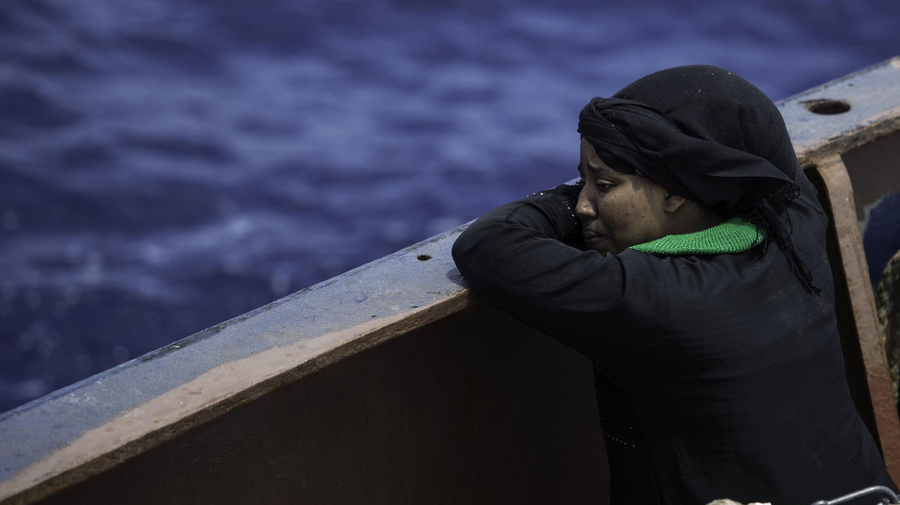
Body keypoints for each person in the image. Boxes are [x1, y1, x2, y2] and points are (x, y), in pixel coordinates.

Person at [451, 65, 897, 505]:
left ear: (677, 193)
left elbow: (487, 245)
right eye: (582, 182)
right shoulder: (797, 222)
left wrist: (565, 204)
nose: (586, 204)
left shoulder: (657, 298)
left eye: (603, 185)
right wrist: (611, 172)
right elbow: (759, 134)